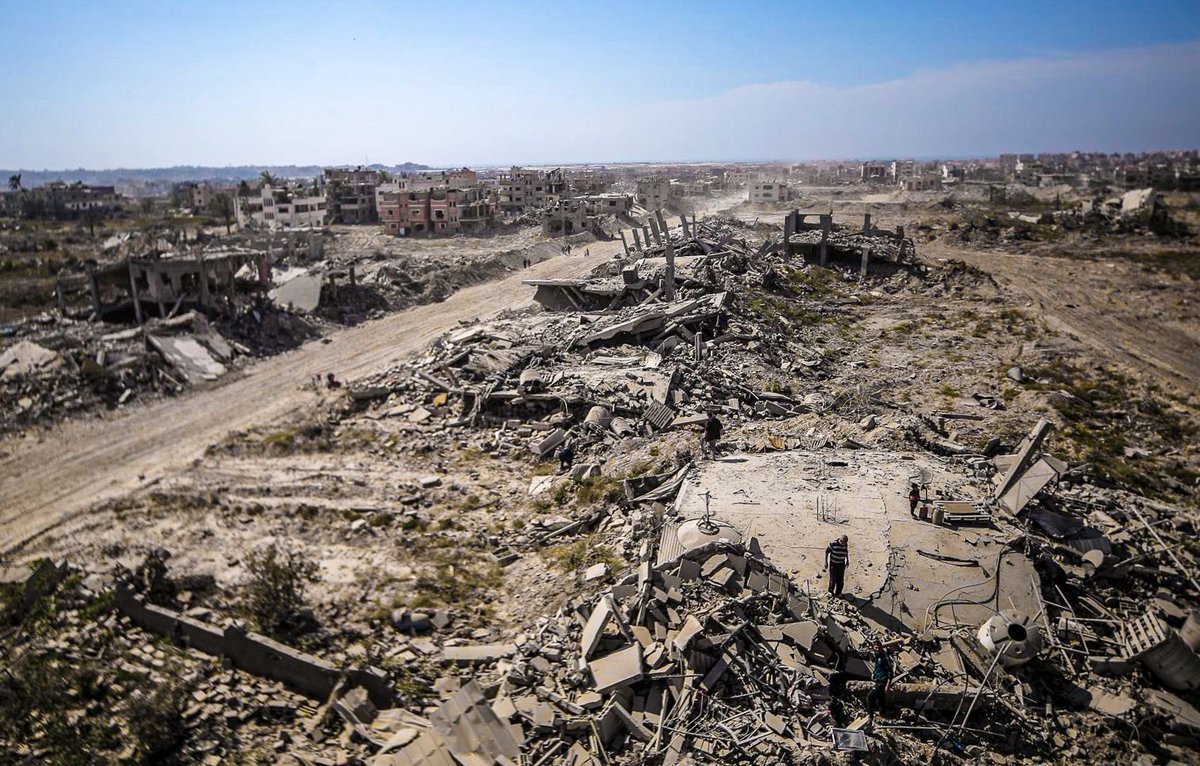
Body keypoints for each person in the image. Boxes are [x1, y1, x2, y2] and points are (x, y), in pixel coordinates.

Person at [866, 639, 898, 722]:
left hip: (882, 681)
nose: (877, 649)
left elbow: (890, 671)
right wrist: (874, 674)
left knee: (870, 696)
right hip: (878, 679)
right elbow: (878, 668)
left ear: (881, 647)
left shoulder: (884, 656)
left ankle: (870, 716)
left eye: (879, 647)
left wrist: (888, 685)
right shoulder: (877, 656)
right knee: (881, 698)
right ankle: (883, 713)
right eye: (875, 647)